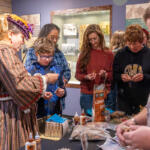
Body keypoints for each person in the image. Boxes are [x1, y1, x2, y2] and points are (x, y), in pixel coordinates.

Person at [0, 14, 58, 150]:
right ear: (10, 35)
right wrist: (46, 78)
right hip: (8, 113)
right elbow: (19, 85)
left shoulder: (6, 52)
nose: (23, 42)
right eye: (21, 37)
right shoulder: (4, 52)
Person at [25, 23, 71, 112]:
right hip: (38, 106)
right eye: (52, 37)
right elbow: (30, 80)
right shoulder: (32, 55)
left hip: (55, 104)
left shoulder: (59, 55)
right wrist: (43, 89)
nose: (54, 40)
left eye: (57, 38)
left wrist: (62, 83)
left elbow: (66, 71)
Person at [75, 24, 114, 115]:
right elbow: (77, 74)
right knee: (87, 121)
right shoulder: (84, 54)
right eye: (90, 39)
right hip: (87, 93)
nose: (92, 42)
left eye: (95, 38)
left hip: (103, 93)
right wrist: (86, 77)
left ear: (100, 37)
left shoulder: (109, 54)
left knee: (104, 122)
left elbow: (113, 75)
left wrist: (105, 74)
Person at [113, 24, 150, 115]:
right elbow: (114, 75)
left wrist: (144, 77)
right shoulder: (120, 54)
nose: (132, 46)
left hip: (144, 100)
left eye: (135, 43)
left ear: (141, 41)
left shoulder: (148, 54)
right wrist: (121, 77)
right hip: (124, 101)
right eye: (129, 43)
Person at [26, 37, 65, 118]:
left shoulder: (57, 69)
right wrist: (41, 95)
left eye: (50, 56)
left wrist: (62, 92)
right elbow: (28, 94)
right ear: (37, 54)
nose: (47, 59)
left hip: (55, 113)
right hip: (37, 114)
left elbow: (62, 88)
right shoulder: (31, 71)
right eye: (44, 56)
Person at [105, 30, 125, 111]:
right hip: (120, 85)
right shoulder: (123, 54)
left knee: (110, 109)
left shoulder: (109, 53)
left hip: (110, 85)